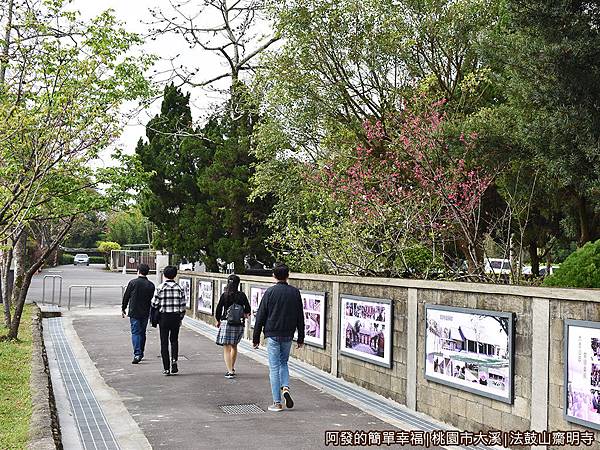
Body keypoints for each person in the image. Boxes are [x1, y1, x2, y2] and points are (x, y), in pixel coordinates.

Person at [253, 263, 304, 412]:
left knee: (274, 368)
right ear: (288, 275)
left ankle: (277, 402)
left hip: (272, 334)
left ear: (273, 276)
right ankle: (286, 387)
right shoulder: (295, 293)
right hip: (288, 333)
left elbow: (261, 316)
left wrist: (256, 338)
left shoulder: (269, 292)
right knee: (284, 363)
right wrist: (301, 337)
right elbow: (300, 316)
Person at [151, 265, 186, 376]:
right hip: (175, 317)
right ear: (175, 275)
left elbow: (154, 303)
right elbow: (183, 306)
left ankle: (166, 368)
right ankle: (174, 361)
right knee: (174, 340)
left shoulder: (160, 288)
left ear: (164, 275)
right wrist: (181, 317)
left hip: (163, 317)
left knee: (164, 342)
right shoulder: (179, 288)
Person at [214, 274, 251, 378]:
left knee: (226, 348)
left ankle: (230, 371)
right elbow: (248, 309)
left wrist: (218, 320)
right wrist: (243, 314)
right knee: (234, 346)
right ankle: (232, 367)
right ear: (238, 283)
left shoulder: (225, 295)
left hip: (226, 322)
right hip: (238, 323)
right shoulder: (242, 295)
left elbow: (218, 309)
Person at [121, 263, 155, 364]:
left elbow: (126, 296)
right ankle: (141, 352)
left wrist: (123, 308)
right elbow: (152, 299)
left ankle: (137, 354)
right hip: (145, 311)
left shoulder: (133, 283)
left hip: (134, 311)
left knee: (135, 332)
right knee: (142, 332)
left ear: (138, 271)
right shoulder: (151, 285)